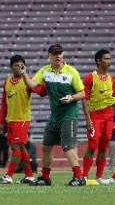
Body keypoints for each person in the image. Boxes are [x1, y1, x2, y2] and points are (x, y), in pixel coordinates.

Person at [19, 44, 86, 186]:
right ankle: (45, 177)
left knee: (67, 146)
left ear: (63, 55)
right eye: (55, 53)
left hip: (69, 114)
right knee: (46, 146)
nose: (58, 56)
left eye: (60, 53)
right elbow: (32, 84)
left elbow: (83, 93)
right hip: (55, 115)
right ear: (49, 56)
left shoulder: (71, 72)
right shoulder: (45, 71)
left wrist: (72, 98)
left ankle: (79, 177)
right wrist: (24, 73)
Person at [0, 55, 47, 184]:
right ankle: (30, 175)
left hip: (22, 120)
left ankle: (9, 176)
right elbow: (4, 103)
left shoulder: (28, 81)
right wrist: (1, 122)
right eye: (16, 65)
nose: (19, 67)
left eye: (21, 65)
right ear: (11, 67)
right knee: (21, 149)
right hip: (10, 120)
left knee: (15, 148)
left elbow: (41, 92)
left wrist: (45, 85)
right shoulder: (7, 82)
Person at [81, 49, 115, 184]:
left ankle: (99, 177)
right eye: (106, 59)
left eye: (110, 58)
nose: (109, 61)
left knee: (103, 146)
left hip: (108, 116)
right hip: (95, 116)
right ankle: (84, 176)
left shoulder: (111, 79)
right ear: (98, 61)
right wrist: (87, 118)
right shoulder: (90, 78)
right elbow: (83, 98)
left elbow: (114, 95)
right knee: (92, 145)